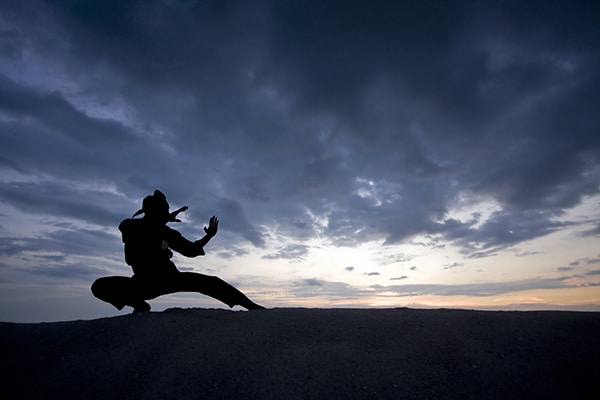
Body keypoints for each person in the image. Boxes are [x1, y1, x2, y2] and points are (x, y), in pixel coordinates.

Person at [91, 190, 264, 313]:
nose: (166, 215)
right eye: (163, 212)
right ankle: (140, 305)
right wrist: (163, 220)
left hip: (168, 278)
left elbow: (191, 250)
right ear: (154, 213)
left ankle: (252, 307)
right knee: (99, 286)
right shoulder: (132, 227)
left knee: (212, 283)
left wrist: (208, 236)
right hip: (142, 283)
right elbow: (141, 227)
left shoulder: (165, 232)